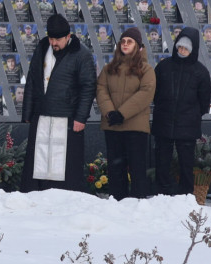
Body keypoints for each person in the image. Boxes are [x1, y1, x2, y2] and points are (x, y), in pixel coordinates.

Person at [20, 13, 96, 192]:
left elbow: (88, 87)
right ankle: (35, 192)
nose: (54, 43)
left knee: (63, 162)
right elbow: (33, 80)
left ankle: (65, 195)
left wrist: (81, 118)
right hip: (42, 115)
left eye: (58, 39)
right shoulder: (41, 48)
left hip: (68, 118)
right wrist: (28, 112)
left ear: (68, 37)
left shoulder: (81, 54)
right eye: (51, 38)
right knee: (40, 159)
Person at [151, 27, 211, 197]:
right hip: (164, 121)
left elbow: (204, 101)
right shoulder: (164, 67)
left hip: (187, 125)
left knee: (186, 162)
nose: (182, 50)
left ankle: (186, 194)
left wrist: (191, 115)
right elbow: (155, 93)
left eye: (185, 48)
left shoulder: (201, 72)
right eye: (180, 47)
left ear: (192, 50)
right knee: (162, 160)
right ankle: (161, 191)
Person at [96, 27, 155, 200]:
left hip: (135, 127)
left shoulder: (146, 69)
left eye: (130, 41)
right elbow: (101, 89)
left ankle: (138, 202)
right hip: (112, 125)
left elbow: (146, 93)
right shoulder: (108, 68)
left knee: (137, 168)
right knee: (116, 169)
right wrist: (110, 113)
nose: (125, 44)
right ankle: (117, 202)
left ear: (138, 45)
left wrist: (122, 114)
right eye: (123, 41)